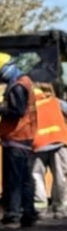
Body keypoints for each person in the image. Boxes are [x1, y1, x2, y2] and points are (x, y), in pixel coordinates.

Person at [0, 53, 38, 229]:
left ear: (6, 69)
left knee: (14, 179)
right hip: (26, 137)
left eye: (0, 75)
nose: (0, 79)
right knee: (25, 179)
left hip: (16, 138)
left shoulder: (17, 87)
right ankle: (28, 214)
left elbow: (16, 111)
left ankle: (13, 215)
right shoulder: (26, 82)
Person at [31, 86, 67, 218]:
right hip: (58, 142)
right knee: (61, 176)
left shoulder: (29, 106)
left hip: (38, 145)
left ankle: (40, 207)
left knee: (36, 175)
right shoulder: (55, 101)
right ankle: (61, 207)